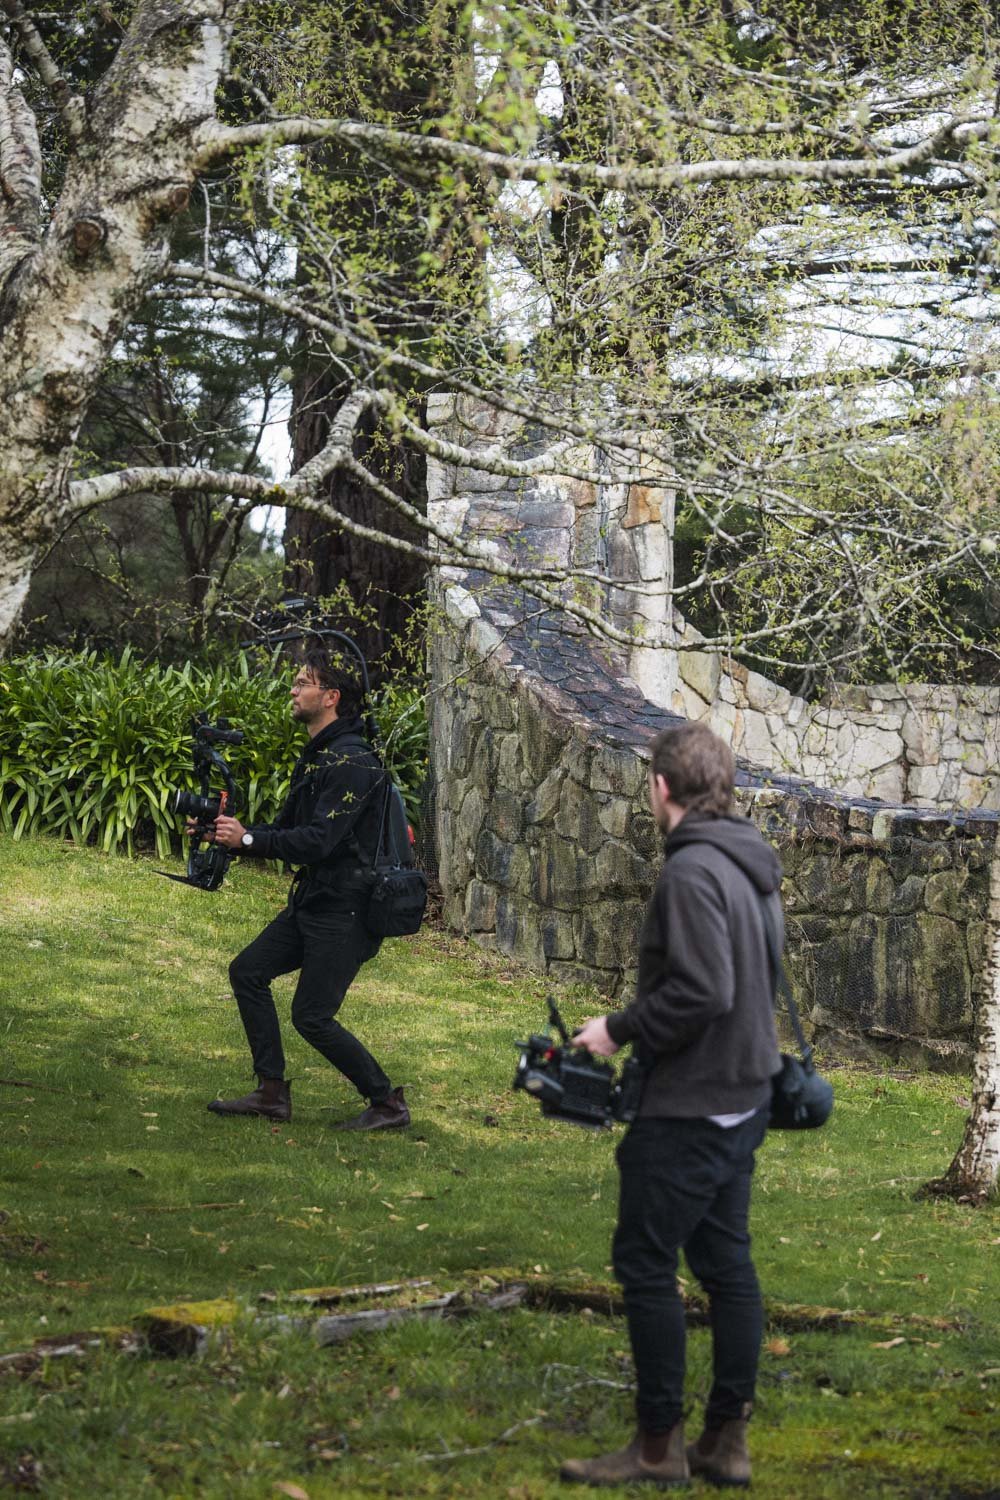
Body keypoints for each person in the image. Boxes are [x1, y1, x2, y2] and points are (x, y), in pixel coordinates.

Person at [561, 722, 782, 1489]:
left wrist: (617, 1029)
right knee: (726, 1263)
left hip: (693, 1104)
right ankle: (725, 1441)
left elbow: (703, 990)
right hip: (745, 1097)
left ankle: (657, 1448)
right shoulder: (750, 862)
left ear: (661, 787)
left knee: (646, 1262)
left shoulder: (692, 871)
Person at [202, 649, 409, 1132]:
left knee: (312, 1016)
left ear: (330, 697)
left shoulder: (353, 761)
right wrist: (228, 835)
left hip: (348, 910)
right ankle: (271, 1093)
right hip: (315, 900)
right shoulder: (320, 754)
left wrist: (249, 840)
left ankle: (387, 1103)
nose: (293, 691)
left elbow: (318, 842)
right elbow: (288, 830)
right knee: (248, 972)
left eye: (303, 683)